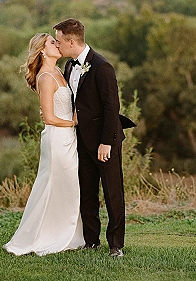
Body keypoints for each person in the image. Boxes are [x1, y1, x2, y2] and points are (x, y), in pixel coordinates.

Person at [3, 33, 85, 256]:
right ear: (42, 50)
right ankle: (46, 235)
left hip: (68, 137)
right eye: (52, 42)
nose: (57, 45)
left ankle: (69, 233)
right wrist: (74, 122)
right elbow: (48, 117)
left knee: (67, 187)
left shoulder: (59, 71)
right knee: (56, 185)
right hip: (57, 139)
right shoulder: (46, 77)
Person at [53, 18, 126, 258]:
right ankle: (91, 241)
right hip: (81, 141)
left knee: (112, 192)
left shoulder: (102, 66)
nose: (57, 44)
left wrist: (106, 142)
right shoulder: (69, 66)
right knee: (87, 191)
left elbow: (111, 107)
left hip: (105, 142)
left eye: (59, 40)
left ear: (71, 41)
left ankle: (116, 245)